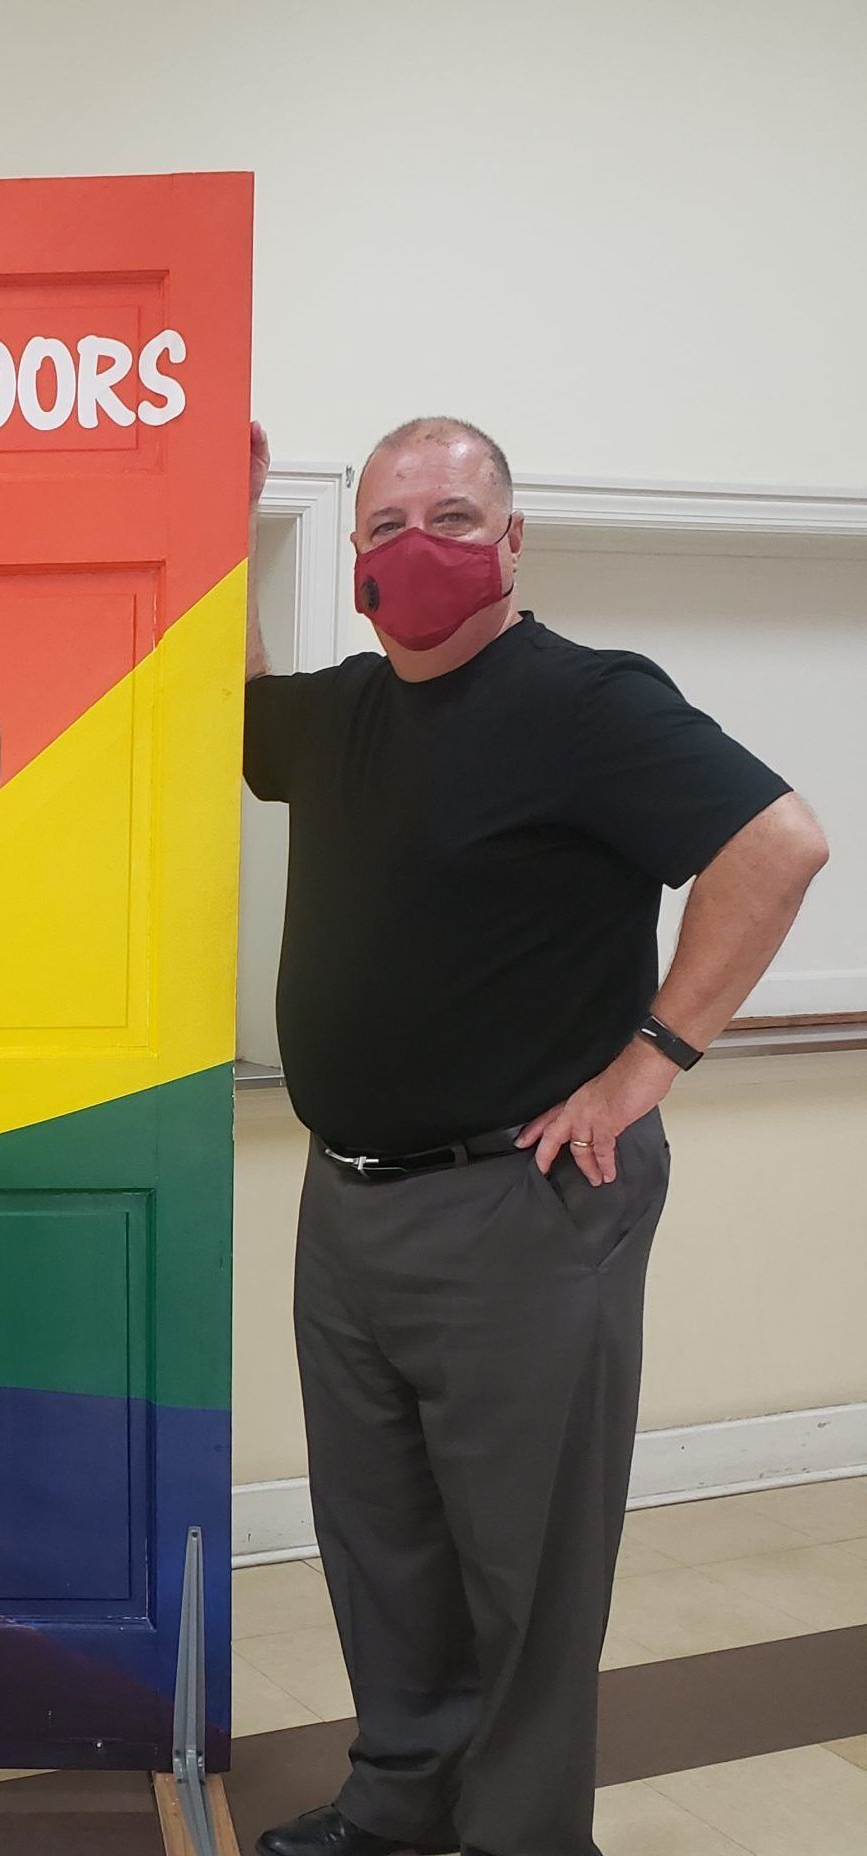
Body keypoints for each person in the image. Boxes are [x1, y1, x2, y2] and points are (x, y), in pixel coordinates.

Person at [242, 419, 828, 1856]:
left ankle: (520, 1838)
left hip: (522, 1206)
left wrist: (653, 1060)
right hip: (351, 1203)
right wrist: (218, 519)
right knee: (381, 1546)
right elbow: (233, 707)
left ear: (511, 544)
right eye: (382, 528)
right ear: (362, 569)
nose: (413, 546)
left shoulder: (587, 703)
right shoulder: (353, 711)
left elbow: (781, 843)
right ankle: (398, 1805)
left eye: (450, 514)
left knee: (525, 1570)